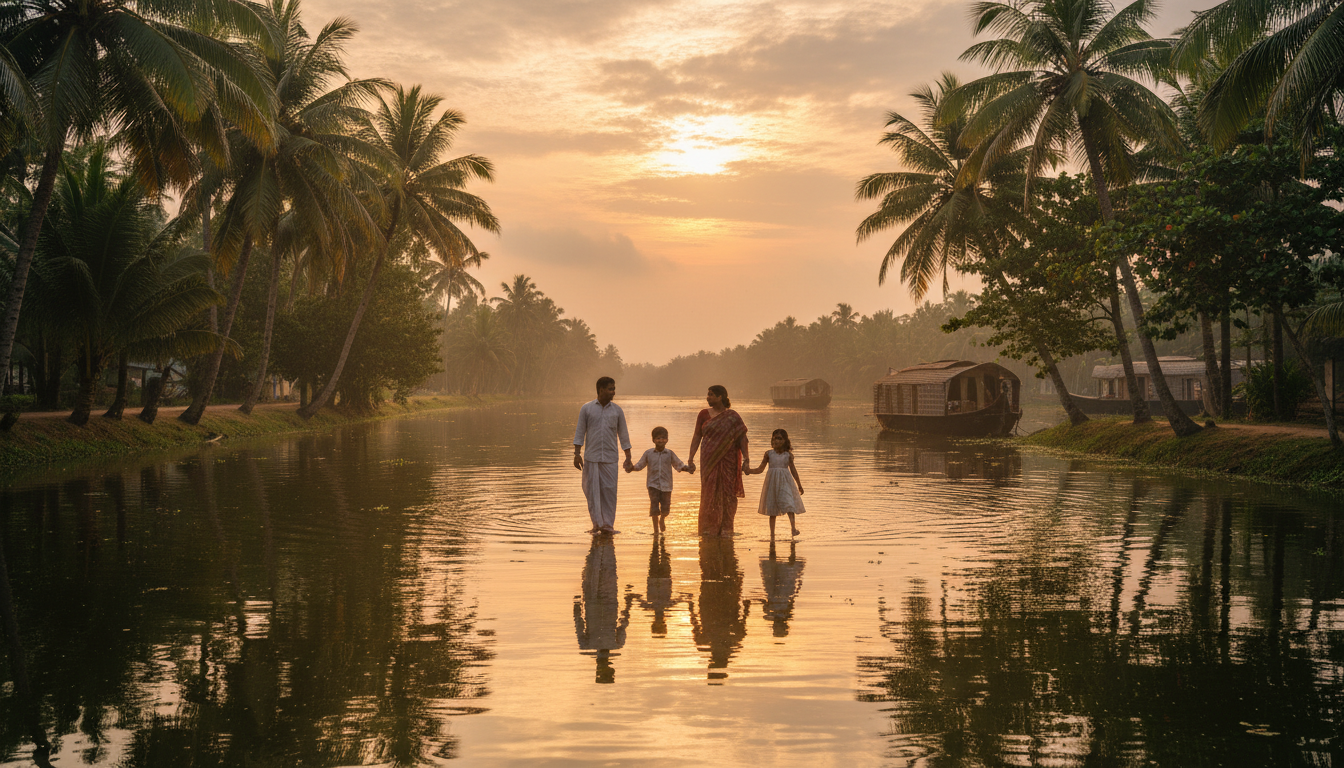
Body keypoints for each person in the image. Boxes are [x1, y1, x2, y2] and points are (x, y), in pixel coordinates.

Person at [686, 385, 748, 537]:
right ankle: (709, 530)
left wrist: (747, 459)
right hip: (709, 461)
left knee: (728, 494)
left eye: (711, 395)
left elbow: (742, 439)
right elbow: (696, 437)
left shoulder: (733, 416)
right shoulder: (703, 414)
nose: (708, 397)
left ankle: (726, 529)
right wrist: (690, 458)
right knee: (709, 494)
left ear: (721, 397)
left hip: (729, 461)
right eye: (708, 394)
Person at [573, 376, 633, 535]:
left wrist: (628, 456)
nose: (613, 392)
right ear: (601, 390)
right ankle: (596, 525)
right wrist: (577, 454)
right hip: (591, 458)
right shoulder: (587, 408)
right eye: (610, 389)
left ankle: (607, 526)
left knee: (609, 492)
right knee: (592, 492)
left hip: (610, 458)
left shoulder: (617, 410)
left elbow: (624, 435)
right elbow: (580, 432)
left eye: (614, 389)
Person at [628, 426, 689, 534]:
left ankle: (662, 519)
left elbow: (678, 465)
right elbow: (639, 465)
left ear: (667, 440)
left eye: (663, 438)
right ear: (653, 440)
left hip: (667, 486)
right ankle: (656, 531)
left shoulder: (670, 454)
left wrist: (687, 469)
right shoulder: (648, 453)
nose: (661, 440)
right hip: (653, 485)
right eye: (658, 438)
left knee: (666, 508)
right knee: (654, 507)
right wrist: (631, 468)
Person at [746, 428, 804, 538]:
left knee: (789, 504)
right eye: (774, 438)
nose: (776, 441)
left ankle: (793, 529)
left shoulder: (788, 455)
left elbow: (793, 471)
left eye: (779, 438)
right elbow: (760, 469)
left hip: (785, 483)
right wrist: (749, 471)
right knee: (772, 508)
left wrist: (799, 485)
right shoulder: (769, 454)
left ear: (785, 441)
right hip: (772, 483)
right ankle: (772, 534)